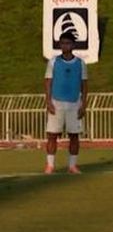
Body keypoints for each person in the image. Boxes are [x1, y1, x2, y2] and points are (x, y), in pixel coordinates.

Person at [44, 32, 88, 174]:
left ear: (73, 45)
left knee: (74, 135)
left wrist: (84, 104)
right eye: (62, 43)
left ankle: (72, 166)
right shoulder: (53, 61)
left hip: (74, 103)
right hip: (57, 103)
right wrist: (48, 101)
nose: (65, 46)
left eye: (68, 43)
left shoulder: (80, 63)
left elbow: (84, 84)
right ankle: (50, 165)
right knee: (52, 135)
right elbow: (48, 82)